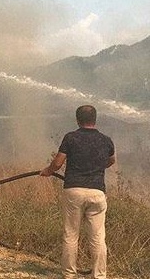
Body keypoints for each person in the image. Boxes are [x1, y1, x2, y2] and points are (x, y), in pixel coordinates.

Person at [40, 105, 115, 279]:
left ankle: (69, 275)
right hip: (97, 193)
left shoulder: (70, 138)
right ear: (95, 119)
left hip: (73, 191)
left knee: (71, 234)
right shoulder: (106, 140)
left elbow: (58, 163)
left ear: (77, 120)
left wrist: (48, 171)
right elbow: (111, 160)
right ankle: (99, 276)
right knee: (97, 237)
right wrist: (95, 167)